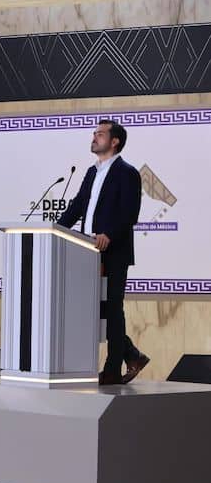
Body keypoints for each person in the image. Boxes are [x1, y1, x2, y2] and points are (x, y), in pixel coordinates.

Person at [57, 119, 150, 385]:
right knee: (96, 310)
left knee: (112, 308)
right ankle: (132, 355)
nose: (94, 137)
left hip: (114, 251)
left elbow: (129, 213)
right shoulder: (90, 172)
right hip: (87, 251)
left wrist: (109, 234)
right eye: (94, 134)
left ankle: (112, 369)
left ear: (115, 141)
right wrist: (56, 230)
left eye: (100, 134)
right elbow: (77, 207)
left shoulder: (127, 172)